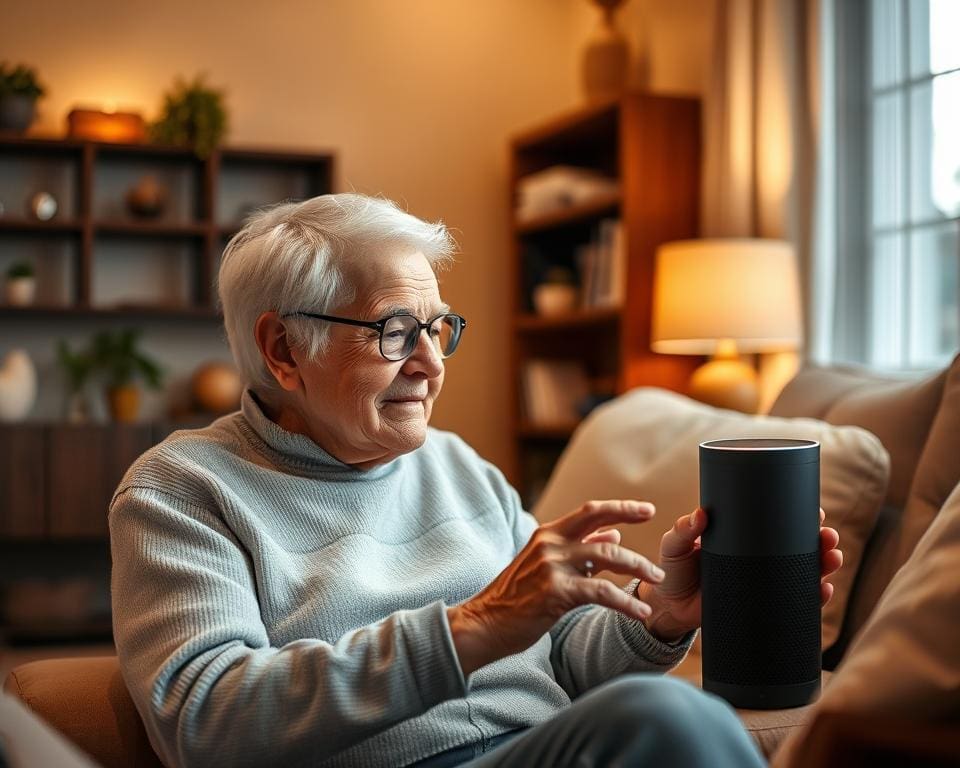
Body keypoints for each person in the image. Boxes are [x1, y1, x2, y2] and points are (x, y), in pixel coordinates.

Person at [109, 193, 842, 768]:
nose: (432, 364)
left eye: (439, 329)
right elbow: (204, 720)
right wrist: (476, 624)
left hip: (540, 748)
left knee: (674, 721)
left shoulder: (458, 466)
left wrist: (659, 619)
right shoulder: (182, 491)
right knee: (671, 721)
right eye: (397, 332)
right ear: (284, 350)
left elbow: (567, 654)